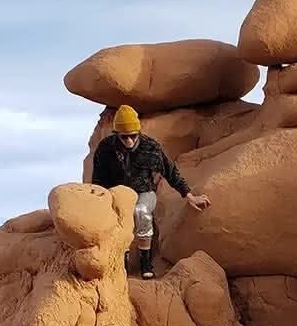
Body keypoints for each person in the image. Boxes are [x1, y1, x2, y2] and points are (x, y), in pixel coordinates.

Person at [90, 104, 210, 278]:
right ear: (117, 134)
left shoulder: (150, 147)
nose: (129, 141)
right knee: (117, 221)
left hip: (144, 192)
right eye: (124, 137)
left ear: (138, 132)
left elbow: (170, 172)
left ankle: (146, 264)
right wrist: (100, 200)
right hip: (116, 193)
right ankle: (121, 264)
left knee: (142, 212)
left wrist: (190, 196)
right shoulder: (106, 148)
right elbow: (98, 179)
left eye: (133, 136)